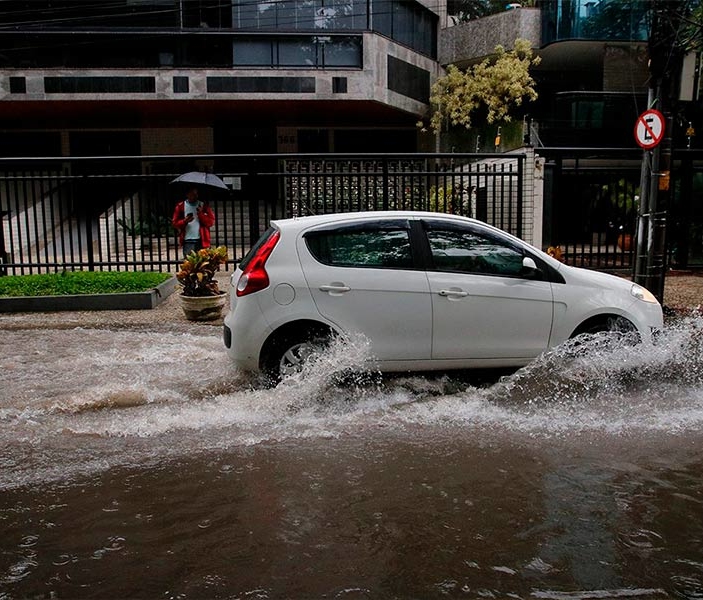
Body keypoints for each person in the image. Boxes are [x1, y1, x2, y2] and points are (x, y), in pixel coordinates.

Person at [172, 185, 216, 258]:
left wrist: (201, 214)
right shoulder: (180, 206)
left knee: (203, 264)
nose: (194, 196)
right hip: (188, 240)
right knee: (189, 264)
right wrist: (184, 221)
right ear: (187, 194)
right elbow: (174, 223)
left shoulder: (203, 206)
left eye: (196, 194)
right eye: (192, 194)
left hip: (202, 240)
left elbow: (210, 222)